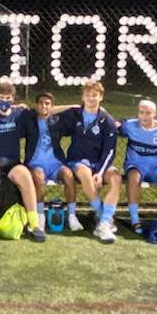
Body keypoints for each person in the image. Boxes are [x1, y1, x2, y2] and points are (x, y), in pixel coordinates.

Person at [0, 80, 44, 242]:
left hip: (12, 163)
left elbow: (46, 110)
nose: (5, 101)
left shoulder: (20, 113)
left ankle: (34, 224)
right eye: (1, 97)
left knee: (26, 177)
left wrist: (76, 107)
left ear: (13, 98)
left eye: (8, 97)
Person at [60, 80, 120, 244]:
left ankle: (104, 221)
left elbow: (110, 151)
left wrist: (100, 173)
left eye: (94, 95)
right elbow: (48, 111)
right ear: (83, 97)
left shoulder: (107, 121)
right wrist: (72, 105)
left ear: (101, 97)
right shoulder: (74, 114)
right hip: (78, 160)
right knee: (85, 175)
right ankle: (104, 219)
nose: (91, 98)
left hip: (100, 163)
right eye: (87, 95)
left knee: (115, 178)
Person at [22, 92, 79, 231]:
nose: (44, 106)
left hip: (55, 164)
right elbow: (24, 108)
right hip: (36, 164)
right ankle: (40, 215)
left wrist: (73, 105)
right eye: (41, 103)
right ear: (36, 105)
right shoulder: (30, 119)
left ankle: (72, 215)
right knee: (38, 176)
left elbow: (76, 112)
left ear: (53, 106)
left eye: (47, 103)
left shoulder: (57, 121)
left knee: (68, 174)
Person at [117, 99, 157, 233]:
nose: (144, 116)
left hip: (155, 165)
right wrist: (117, 123)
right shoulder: (130, 126)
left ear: (155, 114)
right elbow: (117, 126)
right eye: (141, 112)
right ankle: (135, 220)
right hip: (135, 164)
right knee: (134, 178)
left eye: (148, 113)